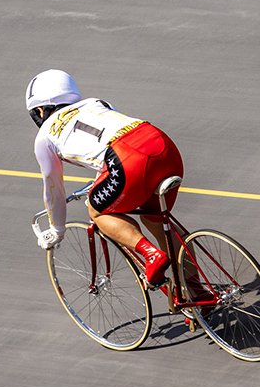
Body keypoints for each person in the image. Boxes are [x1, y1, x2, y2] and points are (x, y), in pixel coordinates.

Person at [27, 69, 184, 285]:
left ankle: (151, 255)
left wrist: (57, 230)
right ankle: (199, 296)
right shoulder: (96, 102)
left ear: (39, 110)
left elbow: (54, 189)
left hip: (129, 160)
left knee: (96, 210)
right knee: (156, 219)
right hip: (162, 144)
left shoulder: (44, 136)